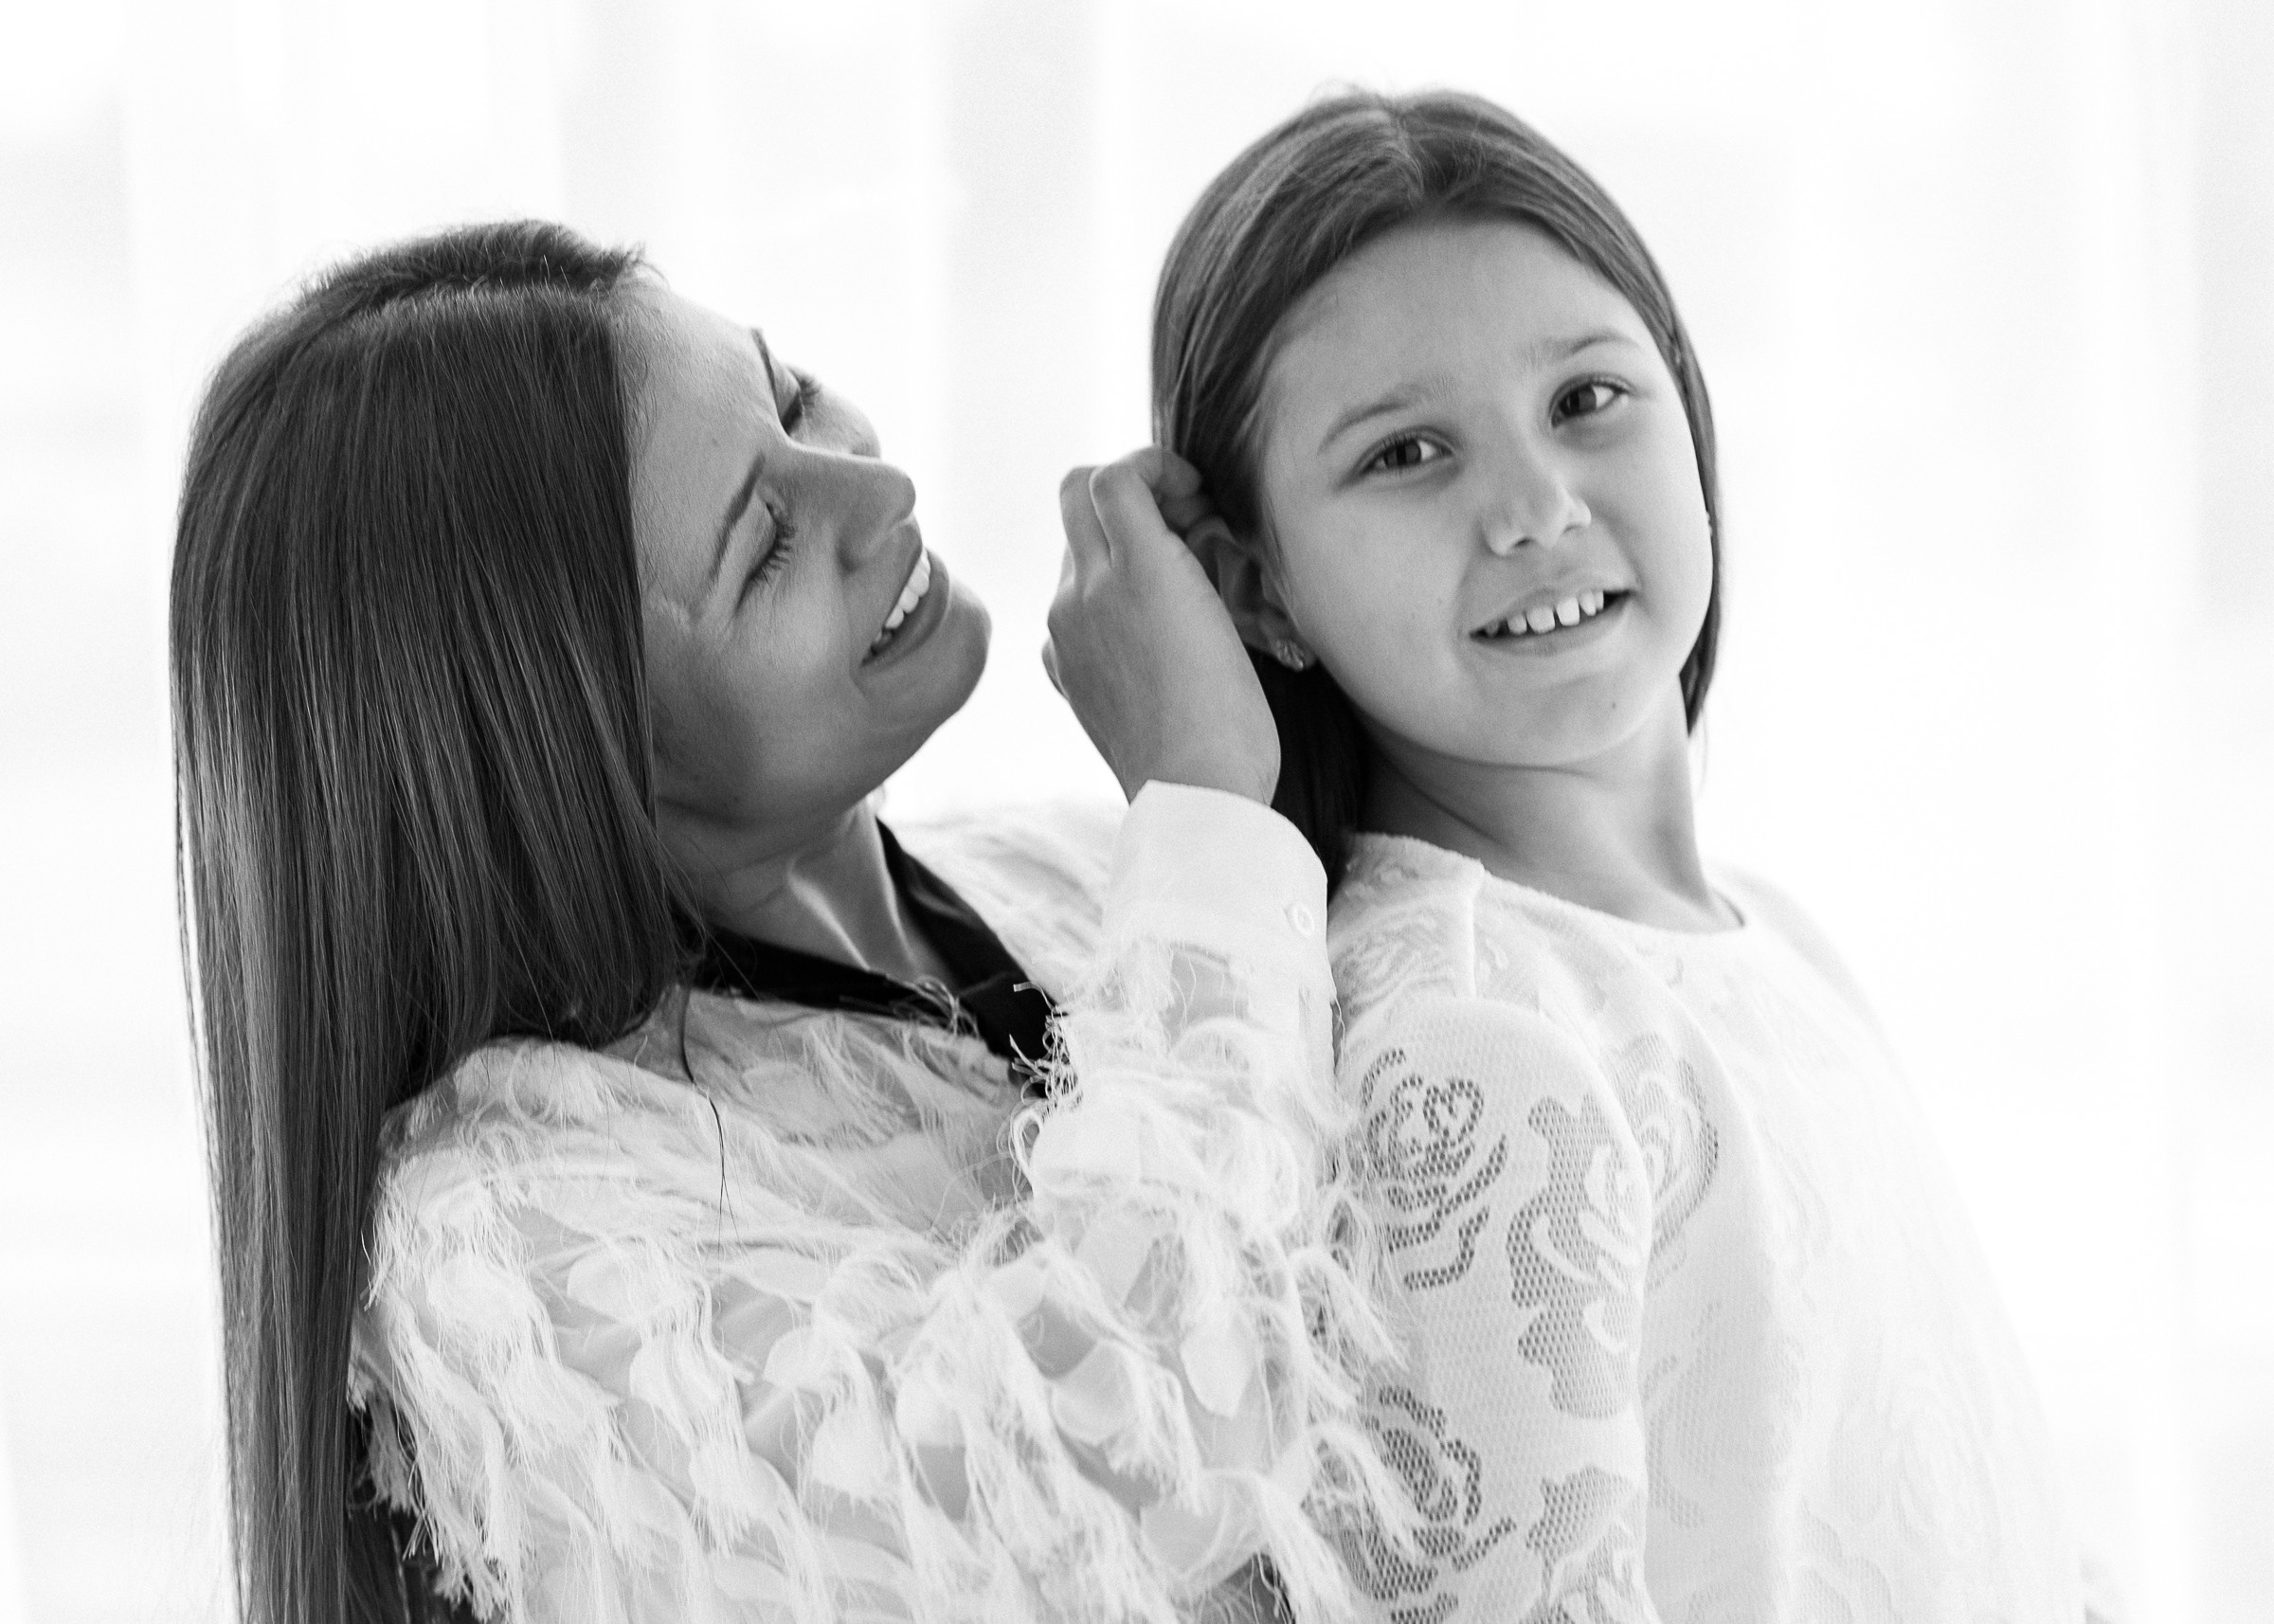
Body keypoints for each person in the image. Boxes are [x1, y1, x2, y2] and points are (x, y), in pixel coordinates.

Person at [170, 222, 1402, 1624]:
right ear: (570, 752)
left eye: (797, 394)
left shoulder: (1082, 876)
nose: (882, 489)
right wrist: (1201, 801)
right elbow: (1122, 1476)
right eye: (765, 547)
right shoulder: (507, 1237)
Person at [1143, 90, 2095, 1620]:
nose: (1532, 507)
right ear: (1255, 590)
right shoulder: (1477, 1046)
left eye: (1586, 400)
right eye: (1407, 452)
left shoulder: (1762, 932)